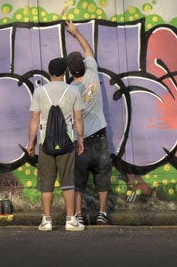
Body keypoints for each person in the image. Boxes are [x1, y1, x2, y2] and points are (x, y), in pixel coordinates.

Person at [25, 56, 85, 231]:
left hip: (45, 144)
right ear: (65, 71)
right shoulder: (73, 91)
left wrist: (31, 143)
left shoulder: (39, 92)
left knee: (47, 182)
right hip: (67, 143)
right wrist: (80, 140)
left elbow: (34, 120)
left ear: (49, 72)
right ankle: (70, 220)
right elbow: (79, 118)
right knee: (68, 181)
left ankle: (46, 220)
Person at [65, 20, 112, 225]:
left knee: (79, 180)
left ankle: (78, 215)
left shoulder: (70, 91)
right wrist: (75, 33)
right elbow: (87, 49)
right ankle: (102, 213)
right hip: (100, 137)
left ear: (69, 70)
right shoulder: (92, 73)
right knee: (102, 175)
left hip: (80, 140)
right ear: (84, 65)